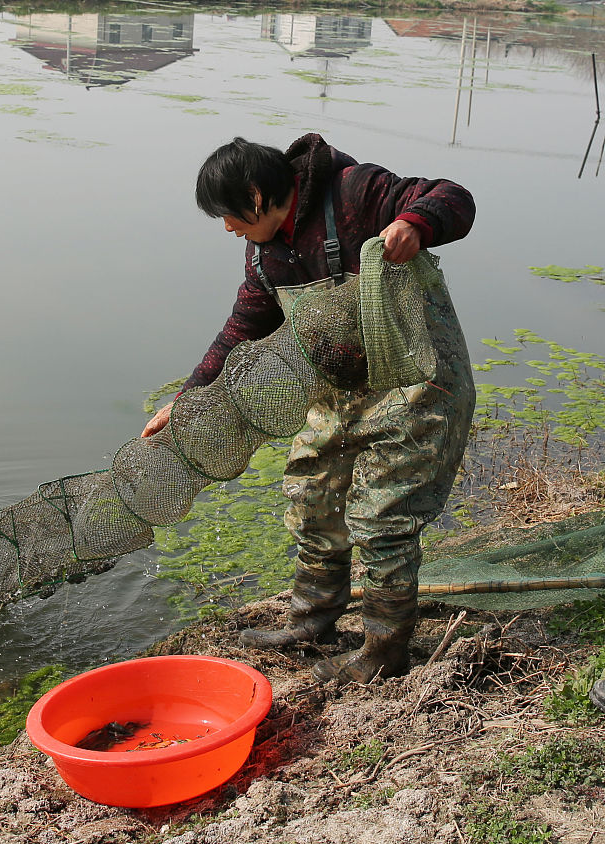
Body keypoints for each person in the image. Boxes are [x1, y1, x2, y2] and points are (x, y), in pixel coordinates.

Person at [142, 133, 476, 684]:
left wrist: (415, 223)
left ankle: (384, 650)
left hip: (418, 385)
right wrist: (187, 400)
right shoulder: (265, 253)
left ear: (256, 196)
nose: (228, 229)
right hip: (341, 393)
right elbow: (242, 329)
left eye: (230, 216)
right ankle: (312, 620)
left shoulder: (355, 191)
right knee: (310, 495)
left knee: (383, 518)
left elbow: (453, 195)